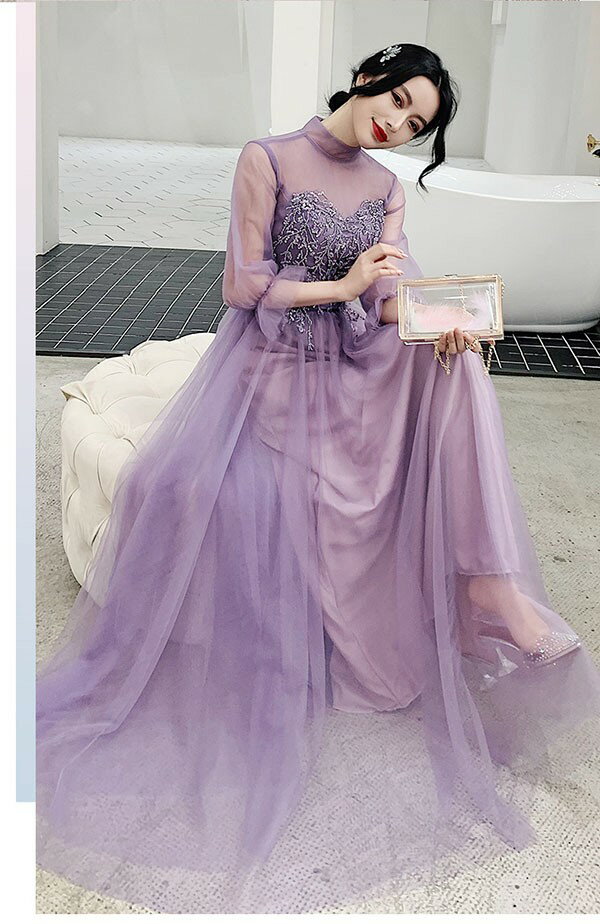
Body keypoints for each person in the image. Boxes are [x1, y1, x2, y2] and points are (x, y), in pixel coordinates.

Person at [36, 43, 600, 914]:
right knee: (273, 473)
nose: (398, 125)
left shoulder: (385, 188)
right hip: (274, 367)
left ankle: (490, 585)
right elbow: (242, 285)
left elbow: (386, 297)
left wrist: (441, 319)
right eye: (399, 102)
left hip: (357, 358)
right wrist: (342, 285)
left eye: (416, 124)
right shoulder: (267, 158)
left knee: (459, 367)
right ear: (371, 75)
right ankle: (480, 582)